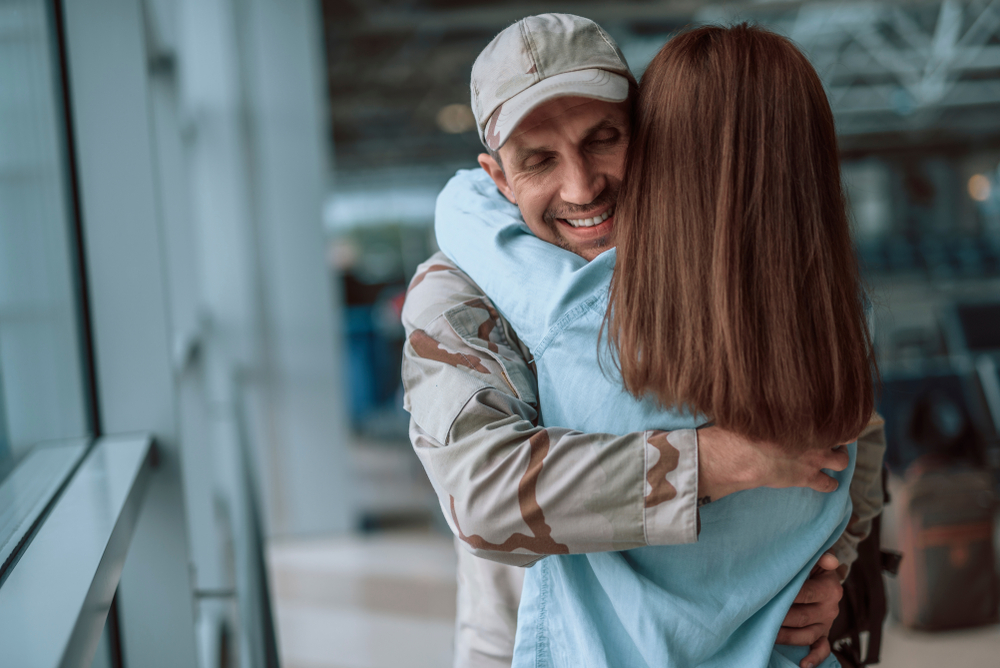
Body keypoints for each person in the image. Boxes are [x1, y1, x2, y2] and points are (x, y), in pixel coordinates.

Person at [402, 14, 886, 668]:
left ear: (653, 137)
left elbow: (860, 428)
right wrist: (713, 461)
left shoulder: (720, 269)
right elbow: (483, 495)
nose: (582, 187)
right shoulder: (460, 293)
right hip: (527, 637)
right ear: (498, 180)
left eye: (604, 139)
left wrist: (828, 571)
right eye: (539, 160)